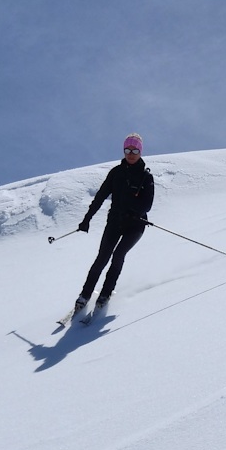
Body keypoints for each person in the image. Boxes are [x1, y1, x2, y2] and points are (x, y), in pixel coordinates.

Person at [73, 133, 155, 316]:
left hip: (135, 225)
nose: (131, 153)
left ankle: (105, 293)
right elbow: (100, 196)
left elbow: (147, 204)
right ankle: (84, 295)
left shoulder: (146, 177)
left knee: (118, 255)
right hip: (115, 221)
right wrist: (87, 219)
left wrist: (129, 206)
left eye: (135, 150)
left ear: (140, 152)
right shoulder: (116, 173)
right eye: (128, 150)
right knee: (102, 258)